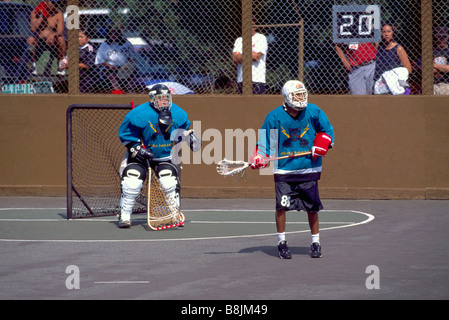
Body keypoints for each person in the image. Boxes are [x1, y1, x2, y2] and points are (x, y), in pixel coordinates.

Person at [250, 80, 334, 259]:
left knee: (312, 208)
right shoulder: (274, 117)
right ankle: (281, 242)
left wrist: (323, 144)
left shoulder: (314, 111)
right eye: (297, 96)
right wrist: (259, 156)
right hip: (285, 172)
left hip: (308, 169)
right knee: (281, 207)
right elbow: (265, 143)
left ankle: (315, 241)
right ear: (287, 97)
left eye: (302, 94)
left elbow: (327, 131)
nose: (301, 98)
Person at [117, 84, 201, 228]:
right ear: (152, 99)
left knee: (169, 181)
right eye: (160, 99)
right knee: (132, 181)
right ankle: (125, 215)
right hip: (141, 157)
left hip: (164, 156)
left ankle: (175, 214)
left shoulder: (178, 113)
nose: (164, 102)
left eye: (166, 98)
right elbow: (126, 136)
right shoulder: (138, 114)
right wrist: (137, 149)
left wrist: (189, 137)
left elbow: (181, 133)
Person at [28, 0, 66, 75]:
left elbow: (60, 31)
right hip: (39, 40)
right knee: (30, 40)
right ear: (47, 2)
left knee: (61, 39)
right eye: (54, 3)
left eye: (57, 3)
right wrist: (43, 16)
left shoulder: (58, 14)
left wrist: (53, 35)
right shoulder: (36, 12)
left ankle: (61, 66)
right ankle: (33, 65)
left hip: (52, 41)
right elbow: (32, 28)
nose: (56, 5)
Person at [95, 27, 137, 93]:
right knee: (111, 75)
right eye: (110, 33)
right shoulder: (104, 45)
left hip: (124, 67)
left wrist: (126, 66)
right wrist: (109, 66)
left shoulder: (126, 44)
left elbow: (133, 59)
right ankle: (118, 91)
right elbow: (99, 61)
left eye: (115, 33)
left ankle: (130, 91)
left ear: (119, 34)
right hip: (110, 67)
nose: (113, 35)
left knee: (131, 70)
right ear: (107, 34)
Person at [373, 23, 412, 95]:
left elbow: (408, 69)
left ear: (393, 33)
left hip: (394, 83)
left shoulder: (398, 48)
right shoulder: (379, 47)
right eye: (384, 32)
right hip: (381, 84)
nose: (386, 34)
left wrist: (395, 76)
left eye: (389, 31)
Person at [232, 17, 268, 94]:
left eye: (252, 25)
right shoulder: (239, 40)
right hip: (242, 80)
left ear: (255, 27)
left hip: (257, 80)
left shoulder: (261, 38)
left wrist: (241, 56)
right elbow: (234, 59)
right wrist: (250, 55)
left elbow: (256, 57)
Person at [56, 28, 97, 93]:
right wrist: (63, 63)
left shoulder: (90, 48)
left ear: (88, 38)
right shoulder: (73, 48)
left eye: (81, 37)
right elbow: (63, 63)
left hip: (87, 77)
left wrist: (71, 65)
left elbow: (87, 65)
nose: (78, 39)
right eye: (77, 37)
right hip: (73, 76)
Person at [432, 27, 449, 95]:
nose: (441, 39)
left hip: (447, 84)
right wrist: (443, 69)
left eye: (444, 36)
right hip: (432, 84)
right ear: (436, 37)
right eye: (439, 36)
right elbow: (425, 68)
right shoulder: (429, 51)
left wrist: (434, 65)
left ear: (448, 37)